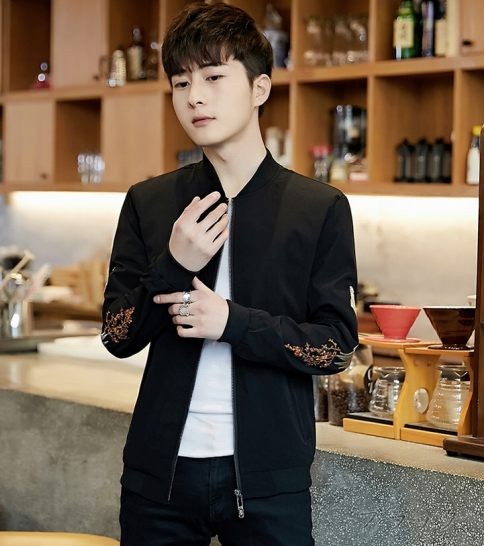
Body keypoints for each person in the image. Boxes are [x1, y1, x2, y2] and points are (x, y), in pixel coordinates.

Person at [101, 2, 358, 545]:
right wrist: (174, 265)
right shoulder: (149, 202)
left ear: (260, 88)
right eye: (181, 82)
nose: (195, 96)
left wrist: (231, 323)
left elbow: (334, 347)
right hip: (158, 480)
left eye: (214, 77)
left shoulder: (318, 208)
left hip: (269, 484)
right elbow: (117, 336)